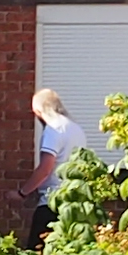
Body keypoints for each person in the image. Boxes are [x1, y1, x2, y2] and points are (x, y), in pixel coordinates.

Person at [27, 86, 85, 236]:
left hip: (52, 201)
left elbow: (46, 168)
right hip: (73, 201)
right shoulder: (75, 128)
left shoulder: (53, 130)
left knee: (36, 253)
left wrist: (23, 192)